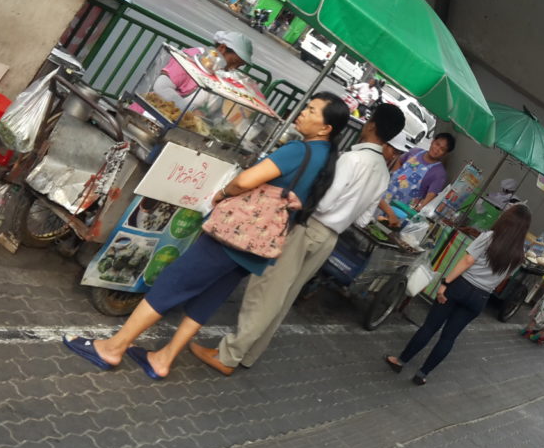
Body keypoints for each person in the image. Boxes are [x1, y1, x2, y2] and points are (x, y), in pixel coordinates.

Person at [63, 93, 350, 379]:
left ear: (325, 128)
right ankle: (163, 359)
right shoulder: (326, 160)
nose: (303, 112)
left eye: (311, 111)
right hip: (259, 242)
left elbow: (246, 181)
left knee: (174, 282)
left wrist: (223, 193)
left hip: (235, 234)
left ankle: (114, 347)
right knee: (209, 298)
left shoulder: (299, 150)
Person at [188, 104, 407, 375]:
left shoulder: (352, 160)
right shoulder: (383, 173)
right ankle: (248, 354)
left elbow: (324, 202)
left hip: (308, 227)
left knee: (267, 290)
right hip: (330, 238)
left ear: (371, 125)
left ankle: (228, 355)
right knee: (284, 296)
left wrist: (298, 200)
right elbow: (363, 220)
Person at [385, 205, 532, 384]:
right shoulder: (519, 256)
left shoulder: (489, 237)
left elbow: (468, 260)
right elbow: (503, 278)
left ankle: (400, 361)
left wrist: (446, 283)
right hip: (481, 298)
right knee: (449, 337)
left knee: (430, 327)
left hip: (460, 286)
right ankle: (422, 375)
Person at [134, 30, 253, 115]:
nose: (233, 67)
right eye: (234, 61)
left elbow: (213, 109)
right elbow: (162, 87)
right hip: (148, 114)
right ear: (222, 48)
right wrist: (191, 111)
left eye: (239, 65)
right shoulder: (191, 58)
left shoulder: (219, 72)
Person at [378, 132, 456, 225]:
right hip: (383, 197)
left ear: (445, 153)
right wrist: (393, 174)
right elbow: (400, 160)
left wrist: (417, 210)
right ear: (432, 141)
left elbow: (430, 197)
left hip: (400, 212)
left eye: (442, 149)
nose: (437, 149)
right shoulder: (415, 151)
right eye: (437, 144)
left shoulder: (439, 174)